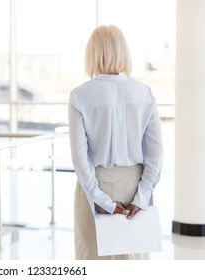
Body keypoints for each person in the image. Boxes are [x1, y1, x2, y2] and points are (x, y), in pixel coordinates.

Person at [68, 25, 163, 260]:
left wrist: (102, 201)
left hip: (95, 186)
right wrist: (142, 196)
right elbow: (156, 155)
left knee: (93, 260)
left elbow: (80, 159)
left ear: (92, 53)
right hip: (135, 186)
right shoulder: (144, 93)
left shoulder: (80, 96)